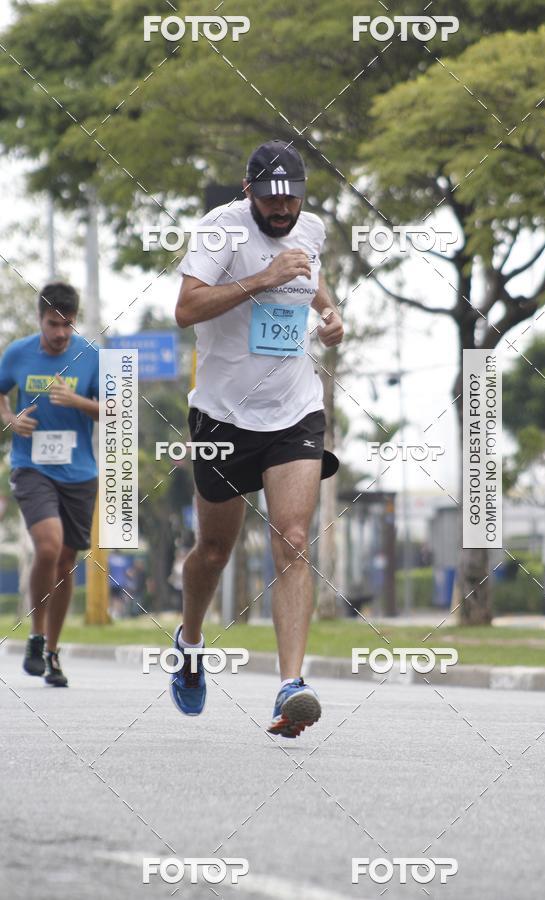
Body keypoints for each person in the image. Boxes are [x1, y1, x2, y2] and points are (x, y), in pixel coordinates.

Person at [172, 139, 344, 737]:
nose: (281, 209)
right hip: (222, 417)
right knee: (214, 551)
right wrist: (262, 277)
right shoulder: (220, 231)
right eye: (270, 198)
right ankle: (190, 642)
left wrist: (329, 312)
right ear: (249, 193)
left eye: (291, 197)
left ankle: (290, 686)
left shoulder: (313, 230)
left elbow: (309, 277)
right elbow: (187, 308)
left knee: (293, 538)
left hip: (294, 411)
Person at [0, 282, 100, 687]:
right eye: (52, 324)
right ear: (39, 319)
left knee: (65, 561)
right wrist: (9, 419)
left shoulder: (91, 357)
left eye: (68, 325)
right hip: (32, 466)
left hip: (79, 472)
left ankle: (52, 652)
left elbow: (118, 411)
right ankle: (36, 633)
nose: (60, 333)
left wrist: (80, 403)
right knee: (47, 544)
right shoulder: (18, 353)